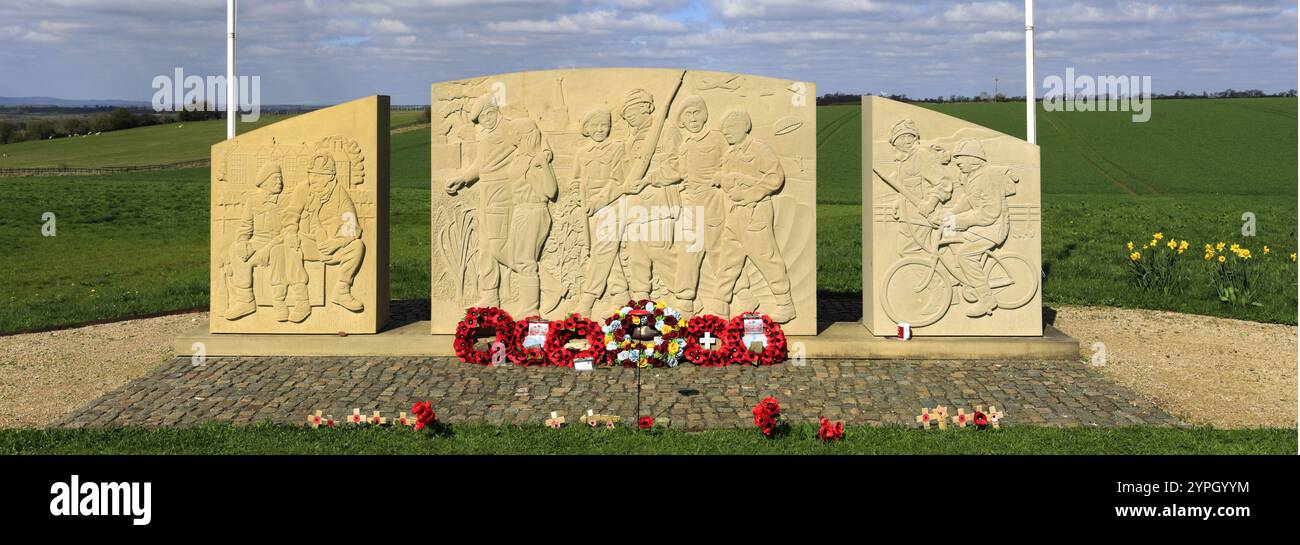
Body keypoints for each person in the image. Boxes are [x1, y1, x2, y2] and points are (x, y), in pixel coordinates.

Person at [445, 94, 557, 317]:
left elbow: (540, 146)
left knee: (498, 246)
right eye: (480, 119)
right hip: (487, 191)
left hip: (504, 192)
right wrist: (464, 177)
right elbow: (482, 164)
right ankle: (490, 295)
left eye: (485, 116)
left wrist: (540, 159)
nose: (484, 122)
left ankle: (551, 286)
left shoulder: (512, 128)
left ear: (492, 112)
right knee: (485, 244)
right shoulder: (485, 136)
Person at [713, 110, 796, 323]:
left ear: (744, 127)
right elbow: (732, 179)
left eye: (730, 129)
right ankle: (720, 311)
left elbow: (775, 177)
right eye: (724, 131)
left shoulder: (759, 149)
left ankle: (786, 305)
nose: (727, 134)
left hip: (754, 211)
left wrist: (749, 194)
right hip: (735, 213)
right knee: (727, 263)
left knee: (766, 258)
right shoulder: (730, 154)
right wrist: (722, 178)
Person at [657, 95, 727, 315]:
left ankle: (733, 296)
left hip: (712, 200)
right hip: (691, 202)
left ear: (705, 115)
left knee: (717, 249)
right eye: (688, 114)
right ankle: (685, 300)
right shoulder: (685, 145)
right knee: (689, 249)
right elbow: (676, 171)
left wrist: (722, 176)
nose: (693, 118)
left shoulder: (717, 139)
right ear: (682, 121)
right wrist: (648, 178)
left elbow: (731, 162)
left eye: (697, 112)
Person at [280, 151, 366, 322]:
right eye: (311, 175)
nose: (314, 180)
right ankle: (301, 301)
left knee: (357, 246)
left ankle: (342, 290)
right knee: (290, 245)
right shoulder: (303, 189)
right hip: (307, 243)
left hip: (331, 247)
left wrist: (338, 242)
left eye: (319, 176)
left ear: (331, 177)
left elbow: (352, 226)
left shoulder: (340, 193)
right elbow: (291, 215)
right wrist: (291, 233)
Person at [932, 139, 1013, 318]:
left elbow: (990, 213)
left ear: (974, 159)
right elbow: (968, 200)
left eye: (961, 158)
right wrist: (949, 213)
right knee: (948, 234)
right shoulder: (970, 176)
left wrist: (960, 220)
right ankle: (960, 277)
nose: (957, 161)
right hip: (982, 225)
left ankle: (986, 299)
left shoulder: (989, 178)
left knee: (965, 255)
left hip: (993, 228)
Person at [618, 88, 681, 303]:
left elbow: (678, 165)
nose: (628, 117)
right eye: (626, 114)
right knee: (637, 253)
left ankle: (684, 297)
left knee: (660, 250)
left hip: (658, 200)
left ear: (646, 107)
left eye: (631, 111)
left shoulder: (665, 130)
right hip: (635, 204)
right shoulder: (631, 137)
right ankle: (640, 300)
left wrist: (650, 178)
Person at [571, 108, 629, 317]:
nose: (600, 130)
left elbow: (617, 180)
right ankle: (621, 296)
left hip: (612, 203)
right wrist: (578, 197)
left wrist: (598, 201)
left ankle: (587, 300)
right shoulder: (582, 153)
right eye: (595, 126)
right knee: (605, 251)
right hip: (591, 209)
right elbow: (577, 180)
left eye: (604, 125)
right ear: (587, 129)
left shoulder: (616, 148)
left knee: (602, 251)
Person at [221, 162, 289, 321]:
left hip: (278, 242)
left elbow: (289, 230)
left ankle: (279, 303)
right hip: (257, 242)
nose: (279, 182)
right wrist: (243, 242)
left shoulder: (287, 201)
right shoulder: (253, 201)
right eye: (275, 179)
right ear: (264, 182)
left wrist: (269, 247)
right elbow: (245, 227)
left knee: (278, 253)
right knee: (235, 250)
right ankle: (245, 301)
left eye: (280, 179)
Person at [874, 119, 953, 255]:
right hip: (910, 215)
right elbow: (908, 186)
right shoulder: (903, 160)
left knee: (910, 251)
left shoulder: (921, 154)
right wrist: (897, 203)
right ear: (894, 142)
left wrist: (930, 204)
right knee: (909, 251)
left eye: (910, 136)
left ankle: (932, 275)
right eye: (902, 137)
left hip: (924, 215)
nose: (907, 140)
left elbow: (943, 183)